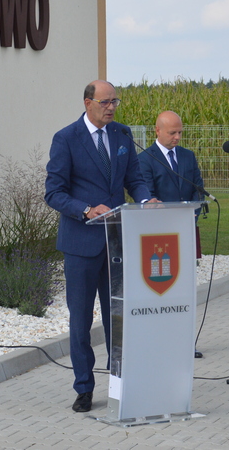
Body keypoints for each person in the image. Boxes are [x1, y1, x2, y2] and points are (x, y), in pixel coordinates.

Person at [45, 80, 157, 413]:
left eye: (115, 101)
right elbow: (54, 192)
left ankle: (122, 384)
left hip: (116, 242)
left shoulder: (121, 136)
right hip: (81, 244)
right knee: (80, 320)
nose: (111, 107)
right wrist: (85, 209)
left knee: (118, 318)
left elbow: (134, 178)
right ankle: (83, 388)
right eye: (105, 101)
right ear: (87, 103)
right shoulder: (66, 139)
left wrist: (146, 198)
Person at [138, 110, 205, 358]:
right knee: (163, 288)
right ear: (157, 130)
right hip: (159, 238)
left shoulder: (188, 157)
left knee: (185, 288)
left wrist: (191, 216)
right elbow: (147, 193)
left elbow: (198, 189)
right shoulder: (144, 159)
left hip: (186, 230)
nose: (177, 137)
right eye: (172, 133)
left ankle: (185, 341)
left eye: (180, 132)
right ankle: (160, 340)